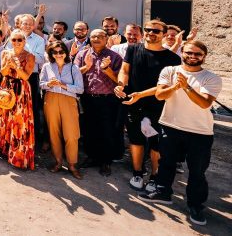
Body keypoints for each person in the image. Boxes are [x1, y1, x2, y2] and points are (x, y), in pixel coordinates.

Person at [137, 41, 223, 227]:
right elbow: (160, 95)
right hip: (170, 125)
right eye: (189, 53)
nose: (193, 56)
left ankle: (195, 205)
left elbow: (204, 103)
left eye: (198, 54)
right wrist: (176, 87)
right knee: (166, 163)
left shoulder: (211, 78)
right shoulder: (169, 71)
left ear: (204, 56)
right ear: (182, 52)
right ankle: (163, 193)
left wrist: (187, 87)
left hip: (199, 131)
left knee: (197, 171)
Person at [116, 19, 181, 191]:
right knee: (136, 140)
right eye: (148, 30)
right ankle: (137, 173)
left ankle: (154, 177)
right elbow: (124, 70)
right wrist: (121, 84)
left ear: (164, 35)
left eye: (156, 31)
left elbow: (164, 87)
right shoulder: (132, 49)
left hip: (159, 105)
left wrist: (140, 95)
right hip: (133, 103)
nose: (151, 33)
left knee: (156, 144)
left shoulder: (173, 58)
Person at [0, 29, 36, 170]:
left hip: (21, 89)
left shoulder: (30, 56)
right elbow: (3, 72)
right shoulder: (6, 53)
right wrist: (8, 64)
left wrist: (16, 66)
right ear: (10, 41)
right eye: (14, 40)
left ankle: (17, 156)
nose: (16, 42)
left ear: (24, 41)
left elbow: (26, 77)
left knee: (18, 121)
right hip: (5, 87)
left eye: (19, 40)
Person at [74, 29, 123, 176]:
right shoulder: (83, 54)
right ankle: (92, 157)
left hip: (108, 100)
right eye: (93, 36)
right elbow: (73, 74)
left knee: (107, 130)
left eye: (100, 36)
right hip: (87, 98)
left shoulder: (114, 56)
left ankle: (105, 161)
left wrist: (107, 69)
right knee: (89, 129)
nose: (96, 39)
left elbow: (119, 81)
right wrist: (87, 67)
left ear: (106, 38)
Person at [40, 40, 84, 179]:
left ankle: (72, 164)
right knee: (54, 132)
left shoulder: (74, 68)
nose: (58, 54)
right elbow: (41, 84)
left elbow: (80, 89)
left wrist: (64, 85)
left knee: (71, 134)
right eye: (55, 52)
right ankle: (58, 162)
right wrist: (48, 84)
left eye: (61, 51)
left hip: (68, 100)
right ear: (51, 54)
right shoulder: (47, 66)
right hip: (51, 99)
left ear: (66, 52)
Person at [18, 14, 47, 146]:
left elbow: (41, 59)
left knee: (32, 108)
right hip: (15, 77)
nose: (28, 26)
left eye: (30, 24)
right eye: (25, 23)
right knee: (15, 106)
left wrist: (26, 54)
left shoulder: (39, 40)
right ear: (20, 24)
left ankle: (31, 140)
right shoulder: (14, 37)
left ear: (33, 25)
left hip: (31, 77)